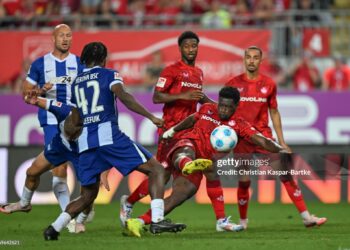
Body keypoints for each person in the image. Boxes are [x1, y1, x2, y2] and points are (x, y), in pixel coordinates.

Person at [43, 42, 186, 240]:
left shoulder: (76, 83)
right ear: (104, 59)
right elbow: (124, 97)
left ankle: (54, 228)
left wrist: (69, 136)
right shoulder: (110, 74)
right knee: (157, 170)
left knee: (87, 196)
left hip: (86, 143)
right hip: (109, 137)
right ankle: (158, 219)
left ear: (84, 60)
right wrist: (150, 117)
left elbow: (74, 120)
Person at [126, 86, 290, 236]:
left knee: (181, 195)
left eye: (228, 107)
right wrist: (172, 131)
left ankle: (139, 222)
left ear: (235, 107)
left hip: (203, 160)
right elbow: (191, 119)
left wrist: (280, 149)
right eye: (222, 105)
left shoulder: (239, 125)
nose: (223, 110)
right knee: (185, 150)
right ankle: (185, 164)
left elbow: (261, 140)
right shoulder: (208, 109)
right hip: (184, 144)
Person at [120, 31, 236, 232]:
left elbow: (198, 97)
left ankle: (140, 208)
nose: (191, 49)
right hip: (171, 129)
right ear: (180, 48)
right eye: (187, 46)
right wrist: (184, 94)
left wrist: (217, 106)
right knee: (161, 175)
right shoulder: (171, 70)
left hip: (189, 131)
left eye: (194, 46)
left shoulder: (198, 72)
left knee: (168, 173)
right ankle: (129, 202)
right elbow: (157, 97)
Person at [225, 46, 327, 229]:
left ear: (260, 61)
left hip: (264, 137)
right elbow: (224, 112)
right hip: (241, 139)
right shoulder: (232, 84)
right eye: (248, 57)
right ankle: (243, 222)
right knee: (244, 180)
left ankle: (306, 217)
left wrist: (281, 141)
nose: (251, 60)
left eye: (255, 57)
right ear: (244, 59)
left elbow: (274, 112)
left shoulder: (269, 84)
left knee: (285, 174)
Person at [22, 24, 85, 213]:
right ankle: (69, 216)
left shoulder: (79, 63)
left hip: (74, 121)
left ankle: (76, 213)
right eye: (62, 36)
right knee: (60, 166)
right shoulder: (40, 64)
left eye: (69, 36)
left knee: (84, 165)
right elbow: (26, 94)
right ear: (53, 38)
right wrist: (41, 91)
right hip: (50, 119)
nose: (66, 39)